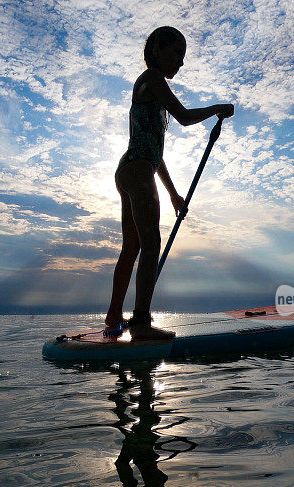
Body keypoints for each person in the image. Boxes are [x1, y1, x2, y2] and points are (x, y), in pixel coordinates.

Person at [105, 26, 234, 340]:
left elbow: (155, 154)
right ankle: (141, 324)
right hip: (136, 171)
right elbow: (186, 117)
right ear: (157, 50)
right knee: (151, 245)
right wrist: (217, 108)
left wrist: (174, 194)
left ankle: (113, 316)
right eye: (176, 53)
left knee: (133, 246)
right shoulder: (152, 79)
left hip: (133, 169)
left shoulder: (153, 93)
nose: (180, 62)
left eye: (183, 55)